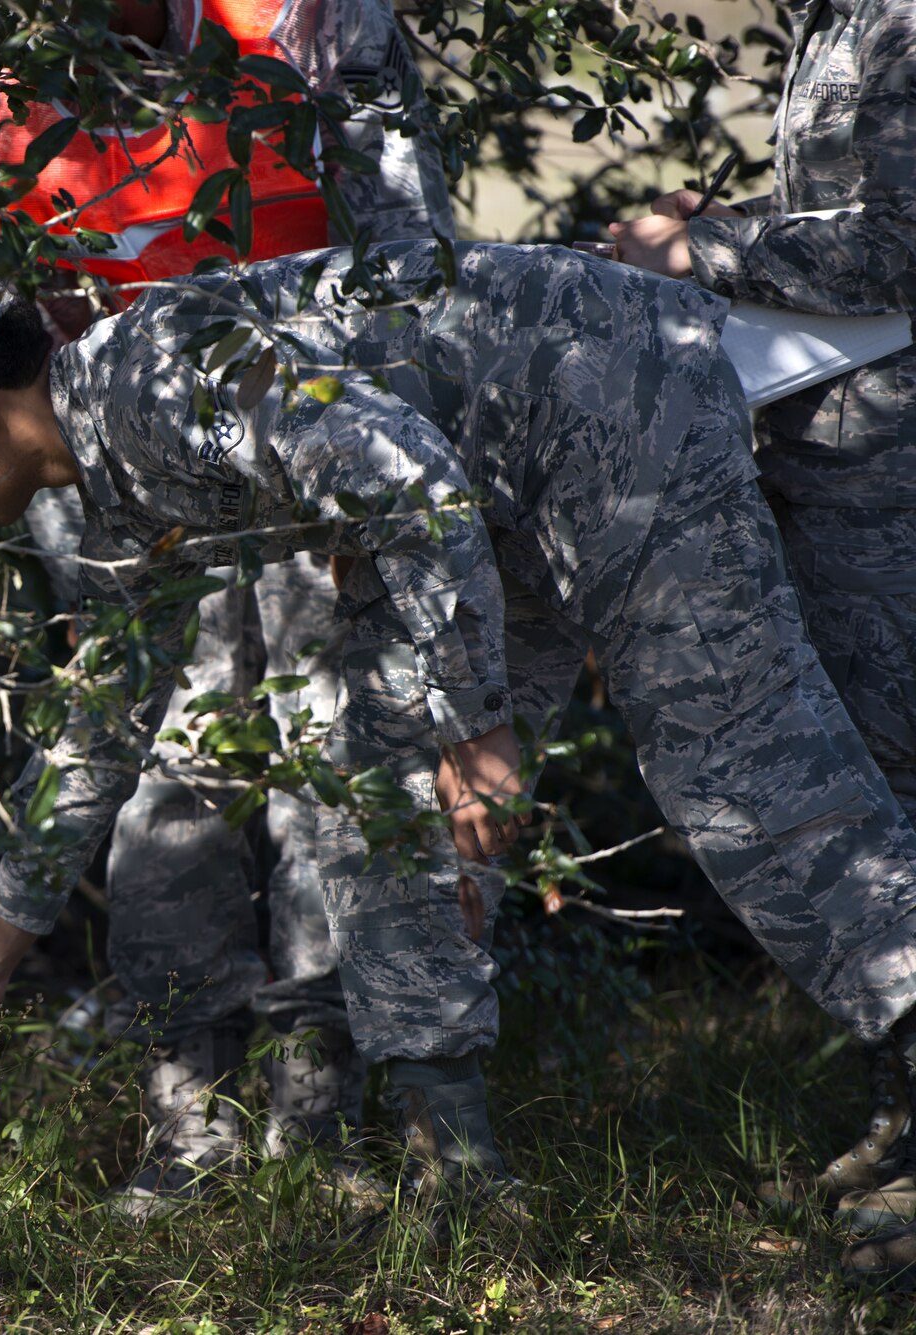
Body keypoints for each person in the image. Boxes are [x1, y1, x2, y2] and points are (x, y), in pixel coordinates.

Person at [0, 240, 916, 1209]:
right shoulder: (108, 478)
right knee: (377, 805)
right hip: (475, 492)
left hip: (607, 403)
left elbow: (401, 472)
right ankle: (458, 1173)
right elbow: (104, 722)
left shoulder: (153, 384)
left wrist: (471, 724)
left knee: (735, 762)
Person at [4, 0, 459, 1216]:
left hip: (317, 459)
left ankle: (319, 1118)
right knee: (164, 776)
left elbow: (409, 252)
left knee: (335, 764)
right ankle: (183, 1126)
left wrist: (378, 489)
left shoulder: (303, 21)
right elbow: (2, 336)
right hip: (134, 489)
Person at [608, 0, 916, 1271]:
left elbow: (898, 242)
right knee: (882, 796)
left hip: (894, 486)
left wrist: (702, 253)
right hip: (845, 477)